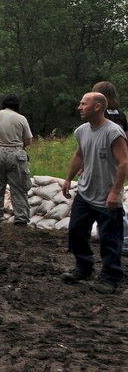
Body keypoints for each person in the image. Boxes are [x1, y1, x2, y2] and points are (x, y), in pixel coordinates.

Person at [60, 91, 128, 294]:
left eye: (83, 104)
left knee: (110, 239)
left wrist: (116, 192)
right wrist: (68, 178)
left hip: (107, 195)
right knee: (76, 232)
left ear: (97, 107)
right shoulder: (82, 130)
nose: (79, 107)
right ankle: (84, 268)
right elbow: (79, 155)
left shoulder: (113, 132)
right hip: (85, 192)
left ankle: (111, 278)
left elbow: (124, 162)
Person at [0, 93, 34, 230]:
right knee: (19, 189)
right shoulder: (21, 119)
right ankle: (21, 222)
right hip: (16, 155)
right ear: (17, 105)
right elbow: (28, 141)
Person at [92, 82, 128, 254]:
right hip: (119, 159)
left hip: (102, 159)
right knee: (116, 195)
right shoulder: (121, 114)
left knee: (102, 201)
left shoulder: (100, 113)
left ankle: (110, 237)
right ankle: (121, 238)